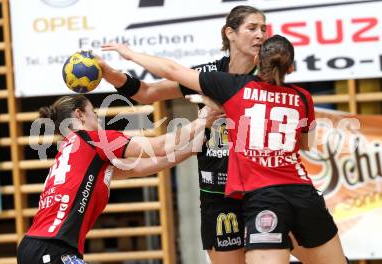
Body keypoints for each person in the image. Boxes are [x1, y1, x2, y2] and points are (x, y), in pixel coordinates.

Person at [100, 34, 349, 264]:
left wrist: (129, 53)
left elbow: (172, 70)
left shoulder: (235, 87)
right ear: (291, 67)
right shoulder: (304, 97)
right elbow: (305, 144)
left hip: (264, 198)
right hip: (304, 195)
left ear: (256, 60)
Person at [17, 94, 218, 264]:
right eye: (94, 114)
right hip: (52, 248)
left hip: (38, 246)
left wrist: (193, 148)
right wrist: (201, 121)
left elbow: (140, 167)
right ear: (79, 115)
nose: (98, 120)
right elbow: (157, 146)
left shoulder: (76, 152)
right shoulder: (93, 140)